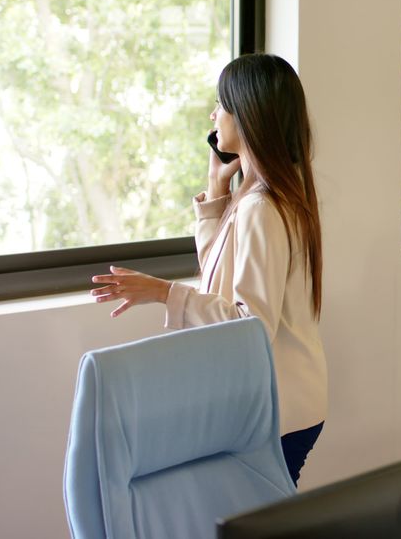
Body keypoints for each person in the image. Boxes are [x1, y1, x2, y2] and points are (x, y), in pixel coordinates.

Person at [89, 54, 326, 485]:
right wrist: (217, 190)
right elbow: (223, 280)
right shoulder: (273, 195)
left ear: (249, 117)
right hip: (290, 405)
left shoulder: (262, 206)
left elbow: (249, 324)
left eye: (222, 104)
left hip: (279, 413)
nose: (214, 114)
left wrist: (164, 292)